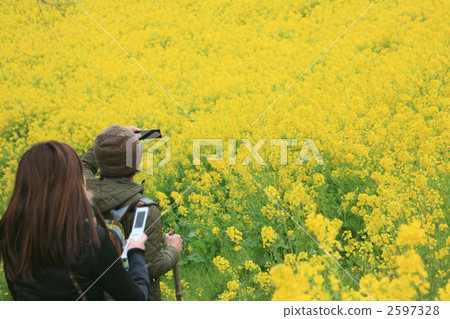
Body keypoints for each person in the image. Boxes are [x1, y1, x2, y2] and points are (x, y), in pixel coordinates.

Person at [0, 141, 150, 301]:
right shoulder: (91, 240)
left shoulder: (9, 234)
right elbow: (136, 301)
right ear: (72, 184)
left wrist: (108, 142)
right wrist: (136, 252)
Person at [81, 124, 183, 301]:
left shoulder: (82, 190)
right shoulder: (143, 208)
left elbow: (83, 165)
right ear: (136, 162)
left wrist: (108, 143)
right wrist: (173, 249)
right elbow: (150, 266)